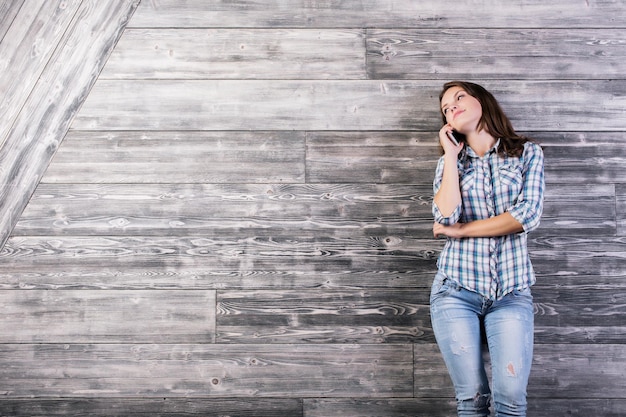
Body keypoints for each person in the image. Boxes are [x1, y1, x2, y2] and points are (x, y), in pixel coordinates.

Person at [430, 81, 545, 416]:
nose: (452, 107)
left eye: (459, 98)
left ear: (482, 101)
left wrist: (462, 231)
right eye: (446, 108)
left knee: (511, 397)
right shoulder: (450, 163)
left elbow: (527, 215)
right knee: (473, 399)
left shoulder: (526, 152)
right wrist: (450, 156)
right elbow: (444, 214)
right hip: (456, 290)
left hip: (511, 291)